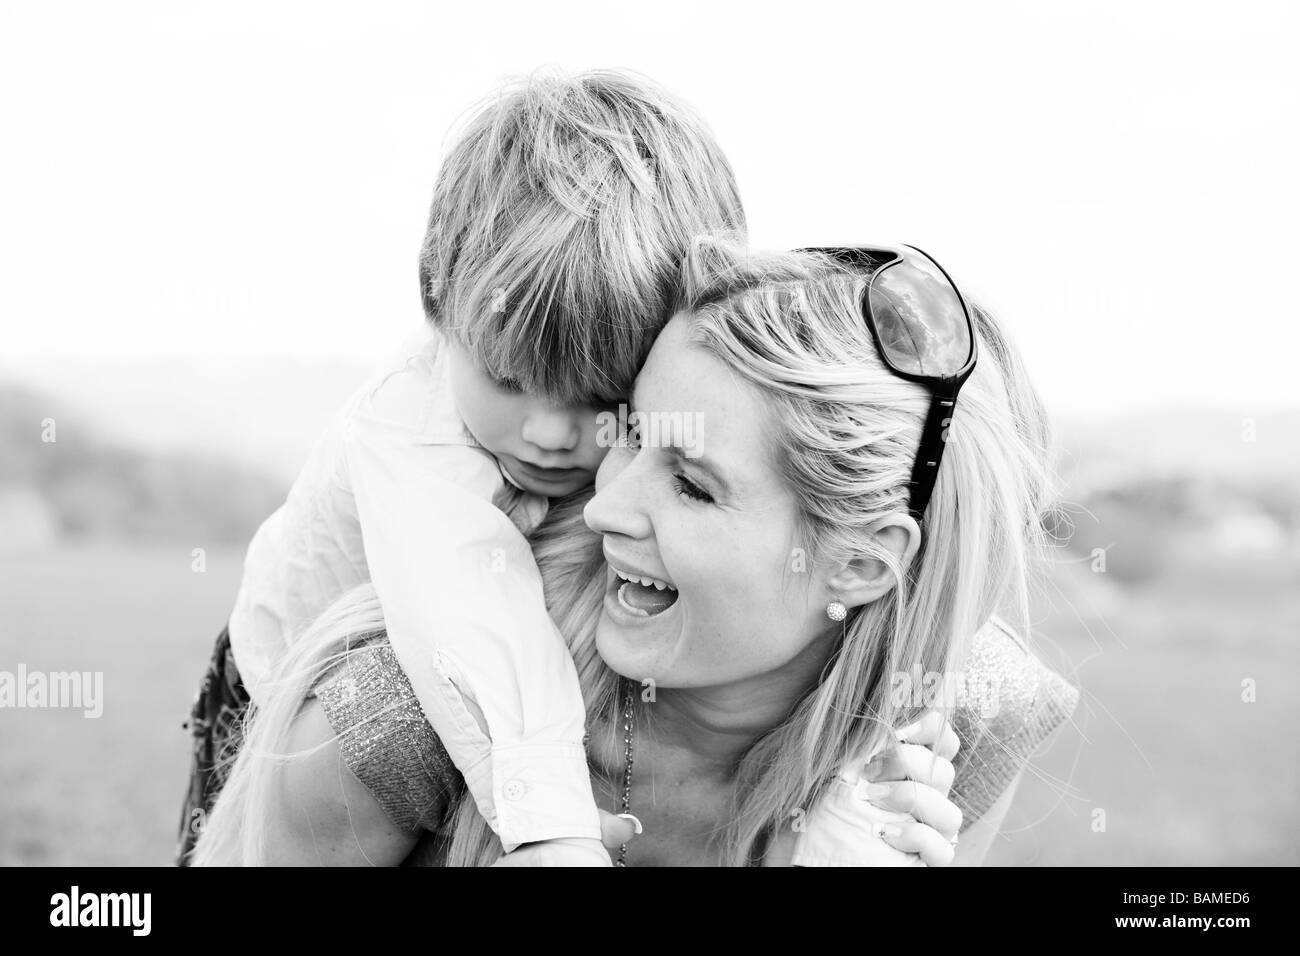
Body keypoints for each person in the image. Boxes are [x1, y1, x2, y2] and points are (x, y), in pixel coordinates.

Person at [193, 236, 1078, 866]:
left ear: (857, 563)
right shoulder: (411, 713)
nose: (605, 506)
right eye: (628, 434)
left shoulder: (962, 723)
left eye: (691, 485)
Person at [177, 68, 747, 865]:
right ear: (442, 304)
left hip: (465, 717)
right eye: (508, 380)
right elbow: (470, 609)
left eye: (598, 394)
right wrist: (552, 827)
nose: (550, 434)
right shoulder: (408, 426)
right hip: (279, 692)